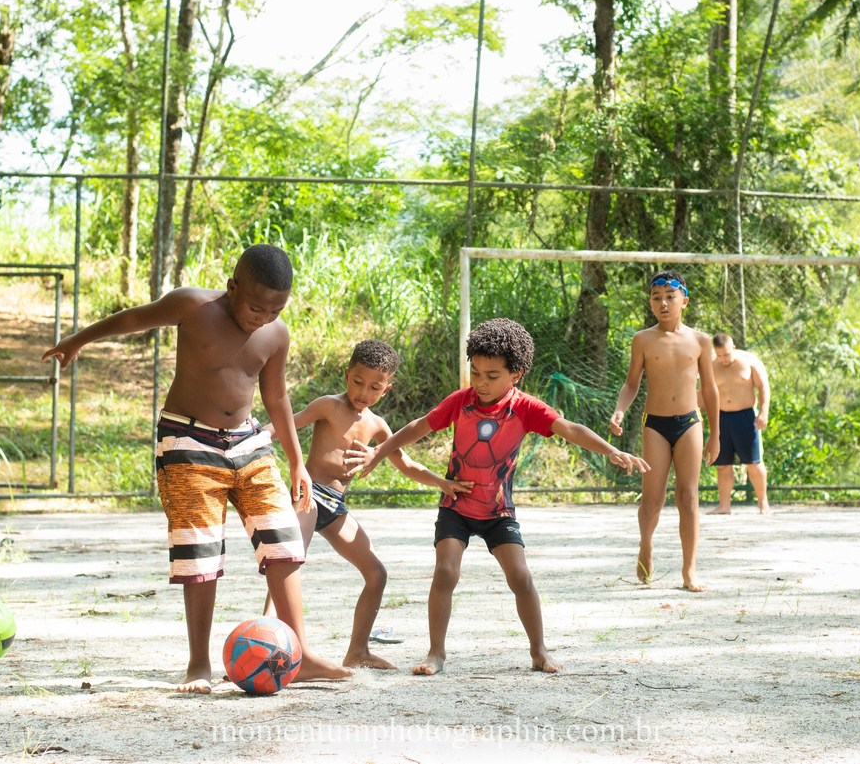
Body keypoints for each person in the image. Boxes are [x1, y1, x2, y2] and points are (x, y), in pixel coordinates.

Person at [41, 244, 350, 693]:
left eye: (274, 310)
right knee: (199, 550)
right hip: (187, 441)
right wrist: (79, 339)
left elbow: (277, 397)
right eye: (255, 307)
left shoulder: (276, 333)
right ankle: (198, 664)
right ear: (232, 287)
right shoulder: (194, 305)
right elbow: (133, 318)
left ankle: (297, 652)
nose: (262, 317)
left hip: (249, 441)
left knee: (282, 538)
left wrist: (298, 461)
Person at [360, 318, 648, 676]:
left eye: (492, 375)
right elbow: (418, 425)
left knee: (520, 576)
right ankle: (436, 653)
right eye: (476, 372)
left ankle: (539, 651)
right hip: (457, 505)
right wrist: (380, 451)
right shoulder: (460, 401)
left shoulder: (527, 408)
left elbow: (569, 428)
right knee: (445, 572)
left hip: (499, 511)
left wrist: (610, 451)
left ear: (517, 374)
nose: (480, 382)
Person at [263, 339, 472, 670]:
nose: (363, 392)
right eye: (358, 381)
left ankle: (357, 651)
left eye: (375, 386)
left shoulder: (377, 425)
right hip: (310, 495)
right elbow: (287, 423)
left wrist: (442, 483)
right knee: (287, 562)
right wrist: (255, 437)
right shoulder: (328, 405)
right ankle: (267, 642)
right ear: (346, 375)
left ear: (387, 389)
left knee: (376, 573)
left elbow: (406, 465)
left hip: (336, 506)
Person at [610, 270, 719, 592]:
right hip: (654, 424)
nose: (663, 303)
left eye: (670, 297)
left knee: (688, 497)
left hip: (690, 423)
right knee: (653, 499)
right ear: (651, 303)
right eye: (657, 298)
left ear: (684, 300)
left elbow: (710, 390)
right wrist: (620, 409)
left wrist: (716, 434)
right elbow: (632, 384)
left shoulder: (700, 341)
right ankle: (646, 545)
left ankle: (689, 571)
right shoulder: (643, 339)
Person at [706, 333, 771, 515]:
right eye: (719, 355)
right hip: (721, 418)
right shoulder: (711, 365)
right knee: (722, 464)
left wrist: (763, 412)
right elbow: (703, 392)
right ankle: (724, 506)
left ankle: (763, 504)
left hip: (745, 417)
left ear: (733, 348)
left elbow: (763, 386)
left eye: (726, 354)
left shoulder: (749, 361)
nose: (723, 359)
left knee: (754, 463)